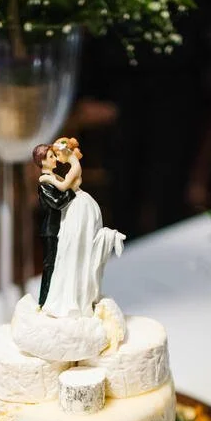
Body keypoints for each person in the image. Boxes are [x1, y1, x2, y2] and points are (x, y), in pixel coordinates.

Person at [39, 137, 124, 319]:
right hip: (78, 205)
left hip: (79, 207)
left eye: (56, 154)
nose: (56, 158)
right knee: (69, 248)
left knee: (75, 245)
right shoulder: (72, 166)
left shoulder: (73, 166)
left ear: (65, 152)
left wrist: (48, 178)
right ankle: (64, 294)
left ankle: (74, 295)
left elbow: (63, 187)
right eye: (52, 156)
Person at [32, 144, 77, 308]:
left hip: (59, 228)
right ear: (43, 161)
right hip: (51, 230)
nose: (55, 159)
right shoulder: (44, 184)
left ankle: (58, 299)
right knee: (50, 266)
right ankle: (44, 302)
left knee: (61, 264)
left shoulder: (54, 180)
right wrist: (72, 190)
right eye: (51, 156)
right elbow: (58, 203)